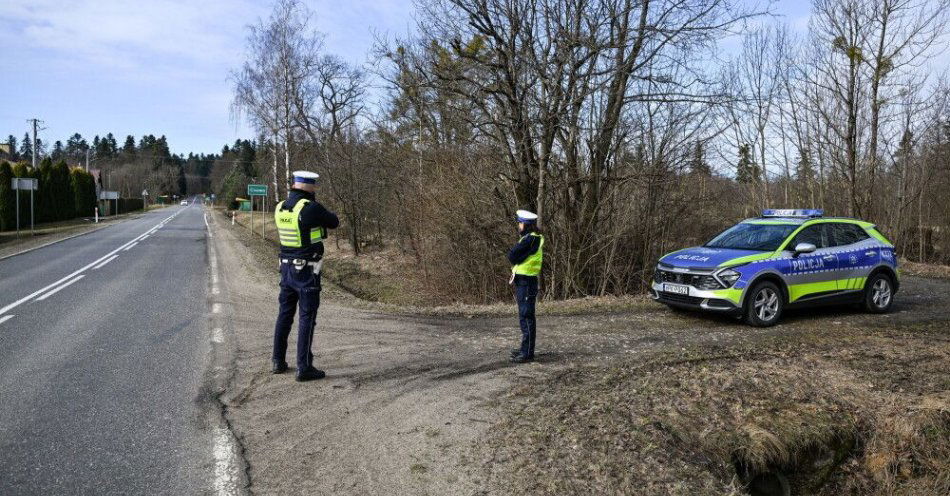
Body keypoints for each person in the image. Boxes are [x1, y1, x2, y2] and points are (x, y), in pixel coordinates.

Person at [271, 171, 339, 381]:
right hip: (307, 271)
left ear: (294, 184)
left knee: (284, 315)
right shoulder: (310, 208)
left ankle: (278, 361)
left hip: (286, 268)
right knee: (307, 317)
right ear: (309, 187)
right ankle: (304, 367)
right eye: (314, 186)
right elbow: (334, 221)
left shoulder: (280, 207)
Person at [507, 209, 543, 363]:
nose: (519, 226)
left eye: (520, 223)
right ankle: (524, 349)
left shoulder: (531, 240)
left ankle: (527, 353)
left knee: (526, 316)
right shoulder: (529, 239)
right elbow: (514, 256)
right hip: (524, 281)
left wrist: (516, 259)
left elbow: (512, 255)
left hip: (526, 282)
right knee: (524, 316)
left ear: (526, 225)